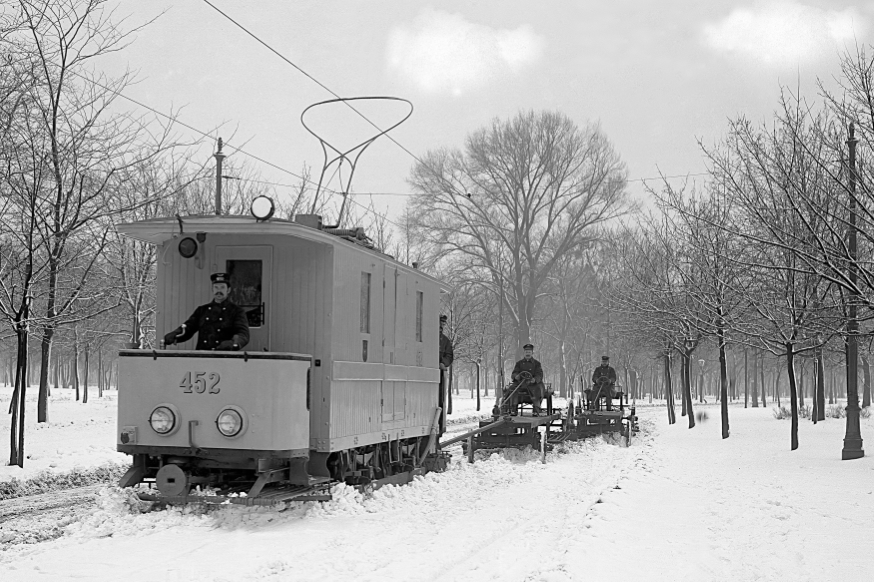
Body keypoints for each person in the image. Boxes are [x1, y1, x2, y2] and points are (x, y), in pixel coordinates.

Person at [163, 272, 250, 351]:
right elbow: (188, 328)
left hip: (225, 358)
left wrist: (233, 343)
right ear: (212, 289)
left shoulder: (236, 311)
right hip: (202, 357)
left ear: (228, 290)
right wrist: (175, 335)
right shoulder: (202, 310)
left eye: (222, 287)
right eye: (216, 287)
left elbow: (243, 334)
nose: (219, 291)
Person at [506, 343, 545, 416]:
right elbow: (514, 373)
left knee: (537, 390)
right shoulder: (519, 363)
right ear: (524, 353)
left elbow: (539, 374)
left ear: (532, 353)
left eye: (529, 352)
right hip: (520, 383)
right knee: (512, 389)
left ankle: (536, 409)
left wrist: (535, 379)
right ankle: (513, 409)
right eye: (526, 352)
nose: (528, 354)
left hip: (532, 384)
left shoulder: (537, 364)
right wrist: (516, 376)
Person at [438, 315, 454, 434]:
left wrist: (443, 363)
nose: (441, 326)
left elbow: (449, 356)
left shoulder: (445, 341)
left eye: (443, 324)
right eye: (440, 323)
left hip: (439, 374)